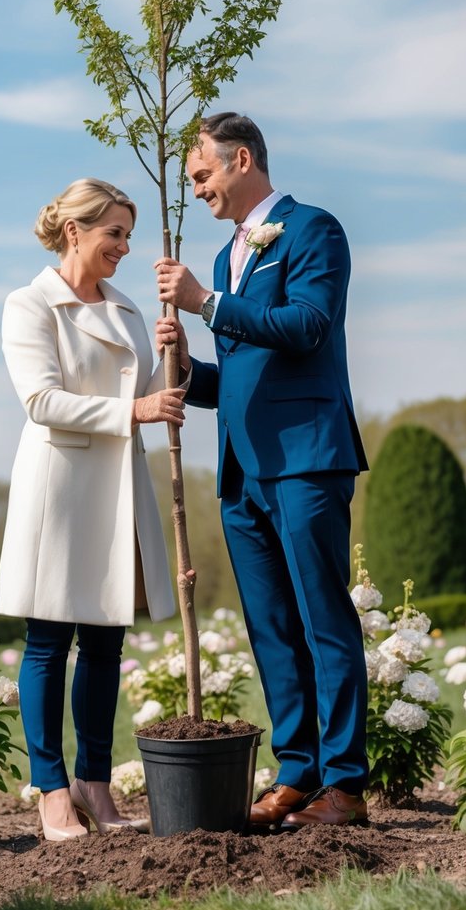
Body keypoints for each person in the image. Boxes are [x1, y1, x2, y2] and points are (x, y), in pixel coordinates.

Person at [155, 112, 369, 830]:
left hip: (307, 458)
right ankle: (296, 773)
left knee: (322, 621)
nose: (196, 190)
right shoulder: (224, 259)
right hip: (241, 472)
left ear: (241, 159)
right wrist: (186, 369)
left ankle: (344, 786)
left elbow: (307, 327)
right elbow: (243, 372)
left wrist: (207, 304)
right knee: (270, 627)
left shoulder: (313, 230)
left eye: (202, 175)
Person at [0, 177, 184, 842]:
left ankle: (95, 788)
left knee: (106, 641)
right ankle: (51, 792)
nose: (125, 247)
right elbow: (40, 401)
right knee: (48, 640)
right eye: (115, 234)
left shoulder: (130, 311)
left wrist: (172, 350)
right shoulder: (29, 304)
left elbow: (161, 394)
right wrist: (131, 410)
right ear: (74, 230)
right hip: (60, 487)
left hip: (119, 489)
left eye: (129, 234)